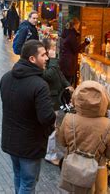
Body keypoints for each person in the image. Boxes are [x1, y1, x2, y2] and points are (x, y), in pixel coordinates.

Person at [0, 40, 56, 194]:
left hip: (11, 141)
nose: (47, 58)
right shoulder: (39, 85)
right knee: (28, 184)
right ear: (32, 59)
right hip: (30, 145)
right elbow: (46, 118)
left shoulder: (6, 78)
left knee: (19, 177)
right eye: (43, 55)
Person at [56, 81, 110, 193]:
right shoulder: (108, 125)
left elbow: (62, 142)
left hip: (73, 169)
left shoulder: (69, 119)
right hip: (97, 172)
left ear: (77, 98)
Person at [41, 38, 72, 166]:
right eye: (53, 47)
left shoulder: (52, 62)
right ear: (48, 50)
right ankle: (50, 155)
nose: (55, 50)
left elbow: (59, 74)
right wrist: (53, 59)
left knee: (52, 127)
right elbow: (49, 75)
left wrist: (67, 85)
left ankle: (47, 151)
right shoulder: (45, 61)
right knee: (51, 129)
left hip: (55, 99)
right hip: (50, 100)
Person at [59, 17, 90, 85]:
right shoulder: (71, 35)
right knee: (68, 83)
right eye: (78, 25)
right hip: (69, 63)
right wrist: (86, 42)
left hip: (64, 61)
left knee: (65, 81)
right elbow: (76, 49)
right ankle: (66, 95)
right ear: (75, 25)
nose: (78, 27)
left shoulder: (66, 33)